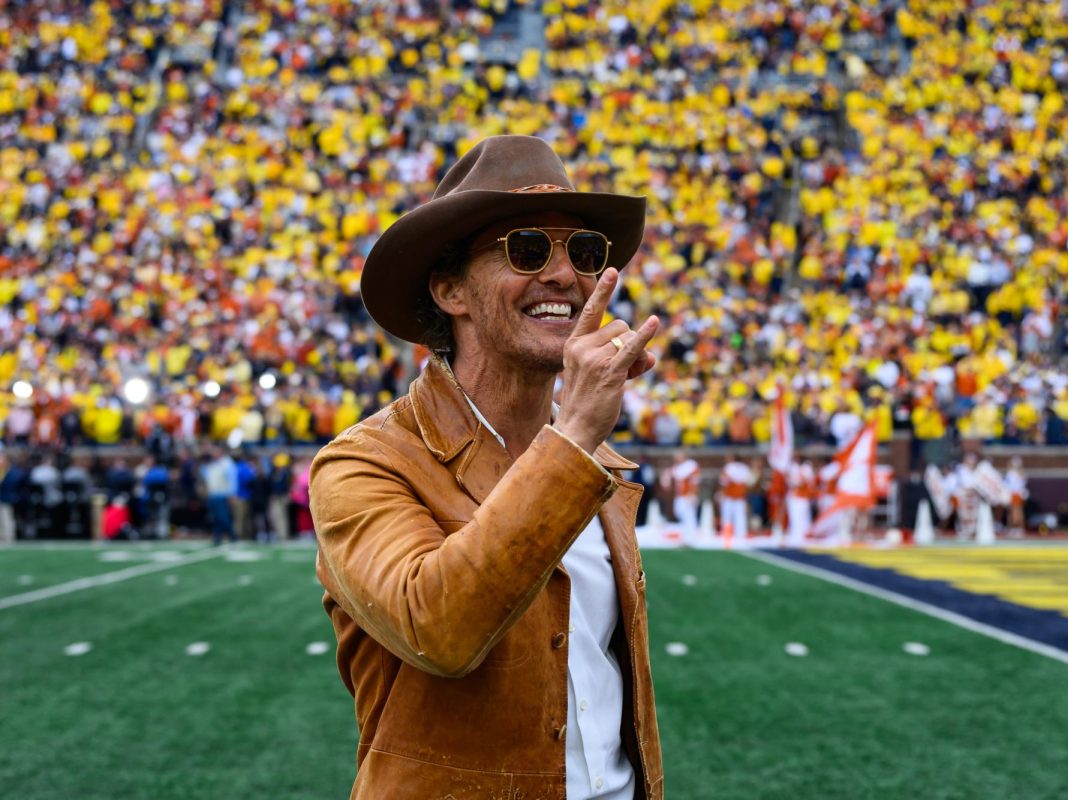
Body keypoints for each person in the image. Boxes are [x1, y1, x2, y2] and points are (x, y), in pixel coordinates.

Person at [308, 136, 664, 798]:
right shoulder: (365, 462)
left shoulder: (598, 465)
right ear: (450, 290)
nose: (565, 275)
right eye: (528, 250)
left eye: (583, 253)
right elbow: (438, 629)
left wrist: (578, 442)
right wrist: (576, 433)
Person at [718, 454, 753, 540]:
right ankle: (738, 534)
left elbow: (723, 481)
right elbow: (749, 481)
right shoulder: (744, 468)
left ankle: (729, 534)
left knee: (731, 516)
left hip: (733, 495)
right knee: (737, 516)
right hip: (736, 496)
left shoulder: (730, 467)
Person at [669, 452, 700, 546]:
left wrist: (693, 494)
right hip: (680, 496)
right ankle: (686, 536)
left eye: (678, 457)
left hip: (688, 495)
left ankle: (691, 539)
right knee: (680, 514)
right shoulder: (678, 467)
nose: (677, 459)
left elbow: (695, 480)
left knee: (689, 516)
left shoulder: (691, 465)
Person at [785, 456, 816, 544]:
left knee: (802, 518)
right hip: (795, 497)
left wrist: (793, 479)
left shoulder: (806, 469)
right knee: (795, 518)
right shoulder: (795, 469)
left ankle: (803, 536)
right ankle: (796, 535)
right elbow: (791, 482)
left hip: (802, 498)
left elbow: (800, 483)